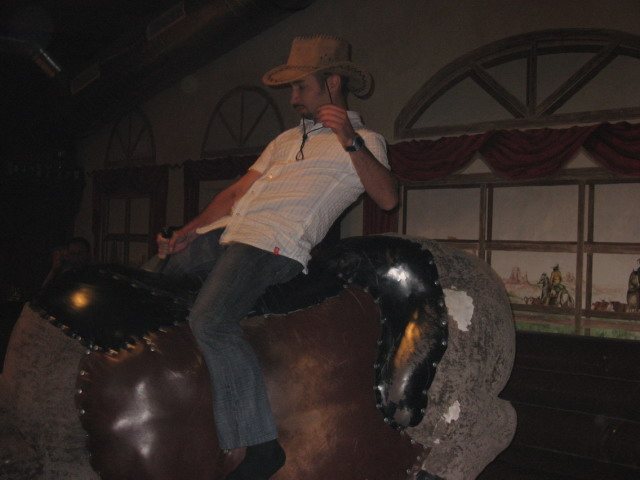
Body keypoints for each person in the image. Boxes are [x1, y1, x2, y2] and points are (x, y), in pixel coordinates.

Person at [157, 35, 397, 480]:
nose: (293, 98)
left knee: (210, 321)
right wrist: (187, 233)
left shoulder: (366, 140)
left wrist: (348, 139)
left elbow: (386, 197)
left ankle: (260, 447)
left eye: (301, 87)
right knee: (151, 279)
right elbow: (234, 194)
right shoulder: (285, 141)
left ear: (333, 83)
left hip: (270, 243)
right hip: (226, 233)